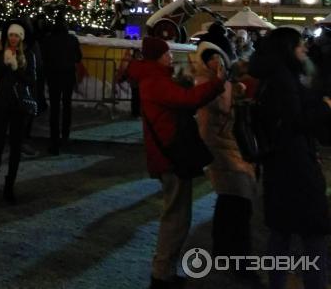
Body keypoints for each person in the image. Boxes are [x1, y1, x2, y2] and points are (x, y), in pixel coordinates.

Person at [127, 36, 225, 289]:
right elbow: (187, 100)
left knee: (177, 213)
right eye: (167, 53)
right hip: (171, 154)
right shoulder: (154, 80)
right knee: (176, 216)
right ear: (157, 56)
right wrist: (216, 83)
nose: (170, 56)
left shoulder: (153, 77)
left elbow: (179, 99)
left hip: (168, 152)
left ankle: (165, 271)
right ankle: (162, 274)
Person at [249, 27, 331, 289]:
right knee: (314, 232)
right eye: (299, 45)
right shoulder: (284, 80)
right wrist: (325, 106)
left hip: (279, 165)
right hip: (295, 167)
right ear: (288, 49)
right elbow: (297, 122)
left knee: (281, 232)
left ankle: (278, 283)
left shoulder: (272, 78)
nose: (304, 49)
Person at [194, 41, 257, 282]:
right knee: (238, 199)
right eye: (211, 59)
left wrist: (235, 86)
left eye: (219, 58)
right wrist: (226, 84)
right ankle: (238, 259)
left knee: (231, 199)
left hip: (227, 144)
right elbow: (220, 104)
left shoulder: (221, 82)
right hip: (218, 146)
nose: (216, 62)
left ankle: (224, 249)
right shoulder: (205, 82)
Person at [0, 21, 36, 203]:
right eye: (11, 35)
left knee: (15, 146)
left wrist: (16, 67)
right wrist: (4, 64)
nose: (13, 39)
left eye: (16, 36)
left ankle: (9, 185)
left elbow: (31, 80)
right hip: (3, 104)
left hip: (19, 106)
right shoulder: (0, 54)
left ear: (21, 38)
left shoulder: (29, 56)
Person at [42, 12, 82, 155]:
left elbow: (44, 57)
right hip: (68, 76)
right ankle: (65, 135)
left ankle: (54, 140)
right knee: (66, 106)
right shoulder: (72, 39)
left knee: (54, 108)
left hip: (53, 77)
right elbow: (78, 57)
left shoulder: (48, 40)